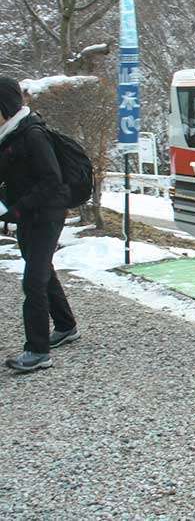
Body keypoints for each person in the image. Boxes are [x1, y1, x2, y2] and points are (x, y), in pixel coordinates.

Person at [0, 77, 78, 373]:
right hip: (27, 214)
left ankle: (37, 350)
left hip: (47, 213)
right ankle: (66, 325)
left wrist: (16, 210)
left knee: (33, 279)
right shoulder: (8, 134)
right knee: (41, 268)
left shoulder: (31, 134)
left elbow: (51, 181)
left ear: (5, 106)